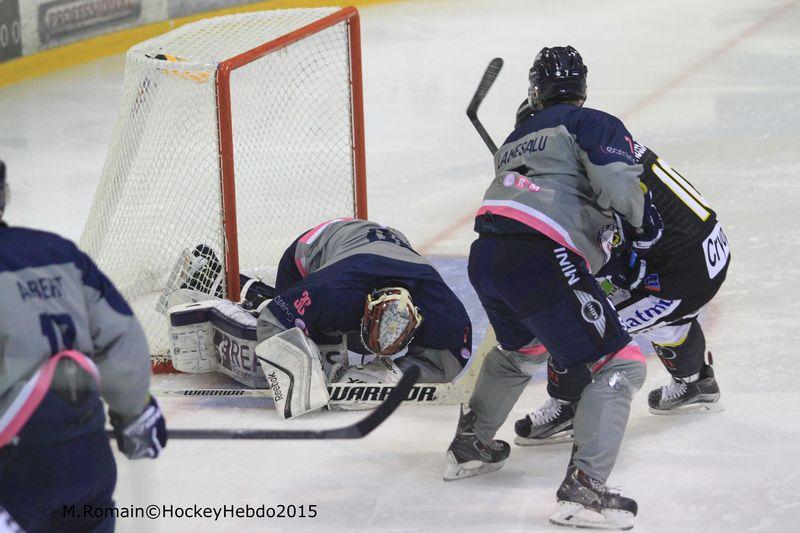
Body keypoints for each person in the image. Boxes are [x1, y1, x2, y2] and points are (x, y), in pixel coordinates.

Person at [444, 46, 662, 530]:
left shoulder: (515, 138)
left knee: (523, 346)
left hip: (488, 255)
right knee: (620, 363)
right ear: (581, 87)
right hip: (540, 255)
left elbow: (531, 192)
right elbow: (616, 180)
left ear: (535, 90)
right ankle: (585, 490)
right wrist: (642, 227)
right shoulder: (591, 123)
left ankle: (469, 446)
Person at [515, 134, 730, 444]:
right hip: (704, 253)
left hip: (682, 271)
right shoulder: (602, 141)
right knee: (663, 315)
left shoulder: (588, 168)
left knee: (577, 325)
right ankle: (695, 382)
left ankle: (568, 407)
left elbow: (614, 253)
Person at [0, 159, 167, 532]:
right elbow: (122, 338)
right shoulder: (60, 253)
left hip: (14, 468)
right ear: (4, 196)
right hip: (87, 455)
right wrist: (133, 416)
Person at [169, 218, 473, 391]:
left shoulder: (440, 309)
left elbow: (450, 359)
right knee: (300, 325)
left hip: (379, 246)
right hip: (313, 247)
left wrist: (394, 372)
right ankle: (207, 274)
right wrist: (301, 379)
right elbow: (275, 320)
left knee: (335, 334)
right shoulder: (337, 289)